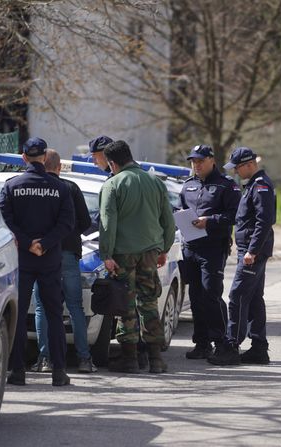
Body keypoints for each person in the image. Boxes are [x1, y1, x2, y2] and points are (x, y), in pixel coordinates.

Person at [0, 137, 75, 386]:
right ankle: (59, 372)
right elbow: (67, 224)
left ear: (23, 158)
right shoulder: (61, 188)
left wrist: (28, 242)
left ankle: (17, 371)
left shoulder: (12, 186)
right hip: (50, 259)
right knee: (54, 315)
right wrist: (44, 244)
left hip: (21, 258)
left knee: (18, 315)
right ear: (45, 157)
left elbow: (5, 221)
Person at [98, 140, 176, 374]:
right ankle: (155, 359)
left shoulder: (113, 184)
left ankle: (130, 359)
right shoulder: (155, 182)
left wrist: (106, 254)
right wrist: (164, 249)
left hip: (123, 254)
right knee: (149, 302)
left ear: (112, 164)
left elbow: (107, 223)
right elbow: (168, 222)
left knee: (126, 304)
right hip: (151, 252)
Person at [209, 146, 276, 366]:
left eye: (238, 168)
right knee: (254, 297)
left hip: (252, 251)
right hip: (250, 249)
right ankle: (259, 347)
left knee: (237, 296)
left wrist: (252, 251)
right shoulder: (253, 185)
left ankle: (231, 346)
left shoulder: (261, 186)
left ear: (249, 165)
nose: (236, 172)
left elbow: (264, 221)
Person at [31, 149, 95, 374]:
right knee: (75, 306)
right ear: (59, 167)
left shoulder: (35, 187)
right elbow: (86, 222)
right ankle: (84, 359)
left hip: (42, 253)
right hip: (68, 252)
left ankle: (45, 358)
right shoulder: (70, 188)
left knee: (42, 307)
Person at [180, 144, 240, 361]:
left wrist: (210, 221)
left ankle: (223, 342)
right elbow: (180, 210)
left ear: (212, 160)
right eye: (193, 161)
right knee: (195, 297)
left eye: (200, 161)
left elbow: (234, 215)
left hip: (213, 248)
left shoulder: (226, 186)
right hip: (191, 247)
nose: (196, 165)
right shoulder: (188, 186)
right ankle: (202, 343)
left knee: (210, 294)